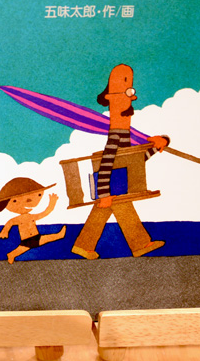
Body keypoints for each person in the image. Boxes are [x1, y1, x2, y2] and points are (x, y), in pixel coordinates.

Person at [72, 64, 168, 259]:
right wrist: (105, 194)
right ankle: (137, 245)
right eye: (127, 92)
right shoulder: (116, 137)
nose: (132, 98)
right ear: (111, 99)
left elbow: (135, 161)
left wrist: (159, 144)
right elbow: (106, 164)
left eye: (131, 92)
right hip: (113, 188)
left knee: (111, 211)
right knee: (116, 209)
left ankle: (85, 245)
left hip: (117, 187)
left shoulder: (124, 137)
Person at [0, 177, 67, 263]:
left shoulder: (31, 217)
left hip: (36, 238)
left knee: (49, 238)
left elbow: (45, 213)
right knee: (20, 250)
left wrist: (52, 204)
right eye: (15, 201)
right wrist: (4, 231)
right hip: (27, 241)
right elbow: (10, 222)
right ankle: (11, 255)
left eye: (39, 195)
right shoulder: (19, 219)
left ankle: (59, 235)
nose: (29, 201)